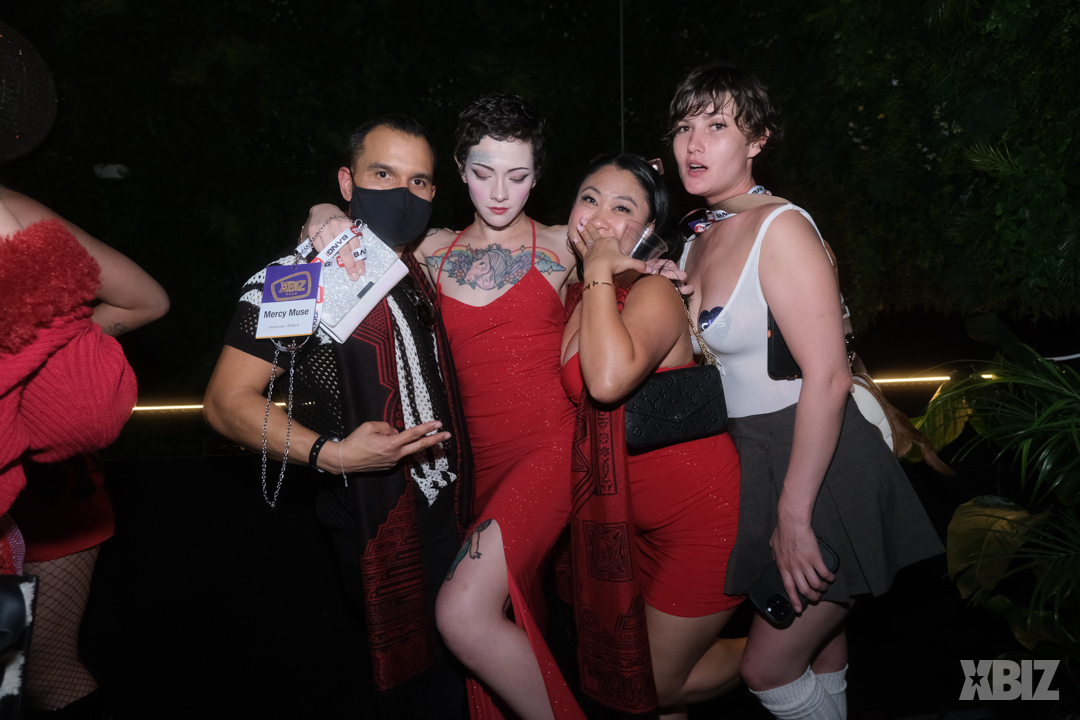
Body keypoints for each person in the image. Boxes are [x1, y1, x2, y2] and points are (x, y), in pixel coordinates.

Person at [669, 62, 942, 720]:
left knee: (767, 668)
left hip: (819, 460)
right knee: (822, 648)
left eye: (716, 126)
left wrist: (795, 517)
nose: (694, 143)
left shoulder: (780, 227)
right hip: (755, 457)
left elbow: (828, 375)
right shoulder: (697, 240)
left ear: (757, 140)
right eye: (683, 127)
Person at [203, 115, 473, 720]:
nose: (403, 194)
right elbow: (226, 401)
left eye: (419, 182)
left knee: (458, 679)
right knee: (421, 690)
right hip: (373, 517)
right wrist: (334, 454)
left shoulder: (418, 266)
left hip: (451, 510)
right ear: (348, 183)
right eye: (384, 175)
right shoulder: (304, 275)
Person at [559, 154, 744, 720]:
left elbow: (607, 380)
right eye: (589, 198)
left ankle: (789, 645)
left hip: (702, 520)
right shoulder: (575, 289)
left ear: (647, 230)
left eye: (622, 208)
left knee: (655, 684)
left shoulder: (653, 291)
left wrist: (601, 268)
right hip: (631, 525)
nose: (599, 217)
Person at [422, 93, 580, 720]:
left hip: (552, 450)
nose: (498, 192)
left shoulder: (568, 244)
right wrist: (322, 211)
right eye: (483, 172)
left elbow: (639, 276)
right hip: (476, 468)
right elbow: (351, 238)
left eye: (517, 176)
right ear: (460, 168)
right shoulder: (430, 252)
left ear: (537, 177)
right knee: (503, 618)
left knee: (462, 612)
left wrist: (662, 275)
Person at [1, 187, 168, 719]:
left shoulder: (13, 213)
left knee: (44, 670)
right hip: (49, 484)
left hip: (50, 489)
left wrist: (39, 356)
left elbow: (146, 301)